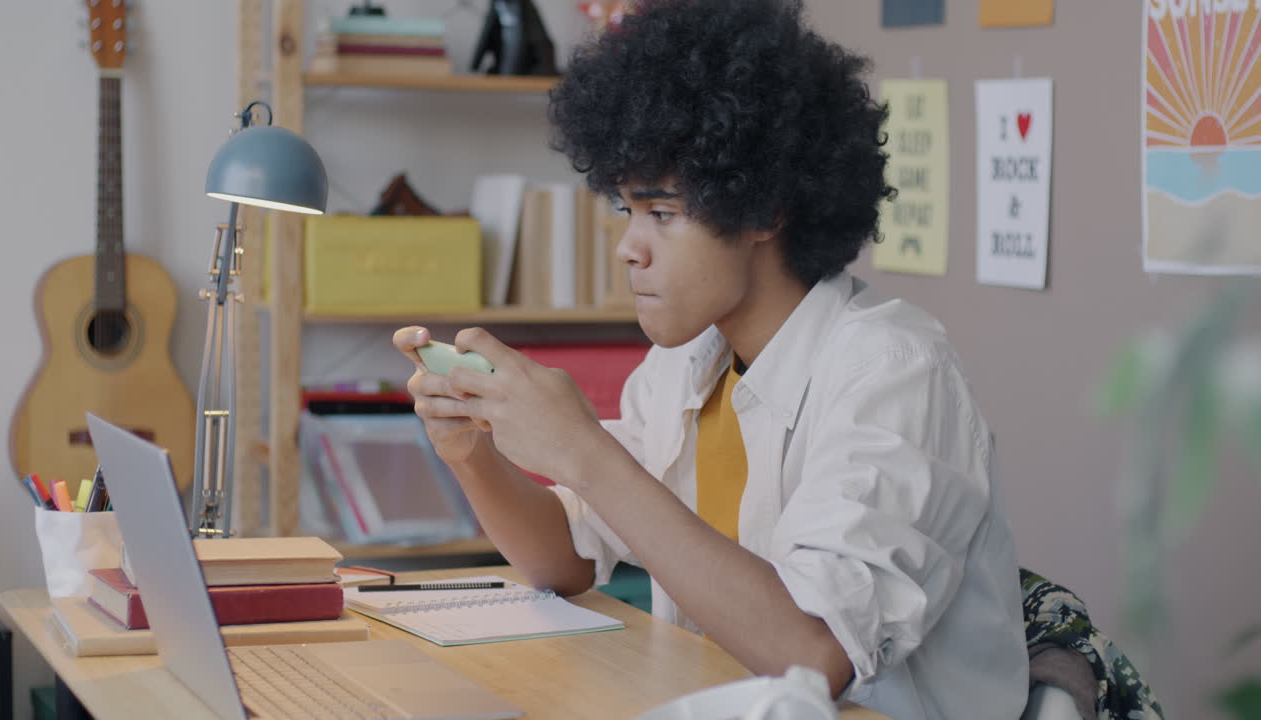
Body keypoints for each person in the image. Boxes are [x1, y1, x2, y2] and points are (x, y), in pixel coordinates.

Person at [393, 0, 1029, 717]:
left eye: (662, 214)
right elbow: (562, 561)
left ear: (763, 211)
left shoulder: (896, 372)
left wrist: (584, 453)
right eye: (626, 211)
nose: (629, 246)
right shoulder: (689, 362)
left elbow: (813, 653)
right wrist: (471, 453)